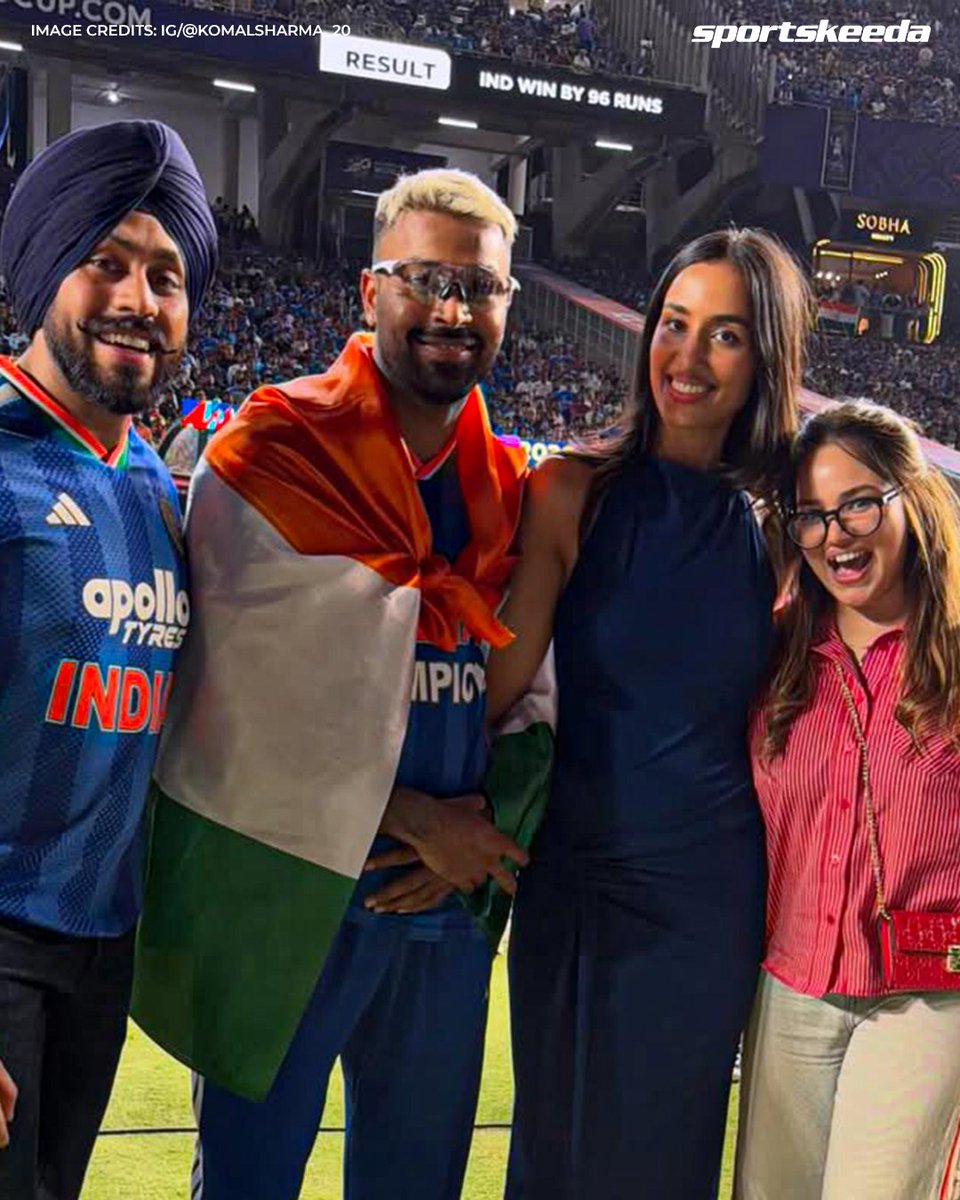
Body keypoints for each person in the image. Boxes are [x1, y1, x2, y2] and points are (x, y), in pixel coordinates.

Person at [131, 168, 529, 1200]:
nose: (453, 310)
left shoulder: (511, 486)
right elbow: (219, 702)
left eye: (480, 287)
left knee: (418, 1183)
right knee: (249, 1183)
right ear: (369, 291)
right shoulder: (269, 453)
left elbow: (539, 693)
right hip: (286, 889)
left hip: (440, 906)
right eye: (425, 279)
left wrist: (477, 837)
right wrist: (411, 820)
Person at [486, 228, 815, 1199]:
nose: (688, 356)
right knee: (549, 1161)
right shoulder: (568, 494)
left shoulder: (786, 527)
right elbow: (491, 692)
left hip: (705, 899)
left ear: (765, 360)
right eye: (675, 323)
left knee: (665, 1168)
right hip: (571, 880)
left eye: (726, 335)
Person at [0, 120, 217, 1198]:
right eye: (106, 262)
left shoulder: (153, 487)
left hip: (102, 946)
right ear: (45, 269)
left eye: (166, 276)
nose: (139, 298)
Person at [735, 400, 960, 1200]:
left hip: (929, 997)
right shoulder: (775, 648)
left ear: (912, 498)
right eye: (813, 515)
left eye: (859, 504)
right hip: (791, 984)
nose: (837, 535)